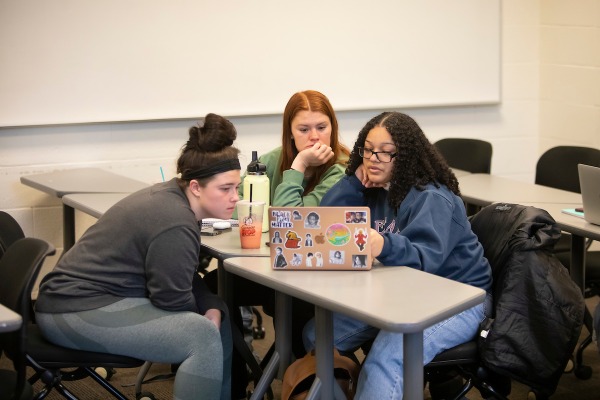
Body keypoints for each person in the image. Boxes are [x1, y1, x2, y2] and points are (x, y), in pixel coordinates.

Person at [34, 113, 241, 400]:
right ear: (196, 187)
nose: (235, 197)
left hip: (89, 302)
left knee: (217, 317)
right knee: (202, 336)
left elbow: (180, 274)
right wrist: (205, 310)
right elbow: (172, 299)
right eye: (225, 189)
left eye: (237, 187)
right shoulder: (175, 220)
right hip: (70, 312)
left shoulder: (174, 198)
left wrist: (211, 304)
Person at [302, 111, 493, 399]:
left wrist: (383, 245)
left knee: (387, 359)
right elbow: (326, 219)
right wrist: (354, 182)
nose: (373, 158)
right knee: (318, 335)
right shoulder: (374, 188)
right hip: (400, 293)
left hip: (459, 296)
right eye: (367, 150)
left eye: (385, 153)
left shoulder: (432, 197)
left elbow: (426, 261)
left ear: (406, 156)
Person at [204, 90, 351, 381]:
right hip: (270, 269)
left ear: (333, 127)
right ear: (289, 132)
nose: (314, 138)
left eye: (322, 127)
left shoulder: (341, 171)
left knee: (294, 308)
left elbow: (292, 225)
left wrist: (297, 167)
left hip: (314, 279)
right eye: (304, 129)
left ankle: (296, 379)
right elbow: (237, 211)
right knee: (214, 287)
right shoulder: (272, 160)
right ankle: (234, 377)